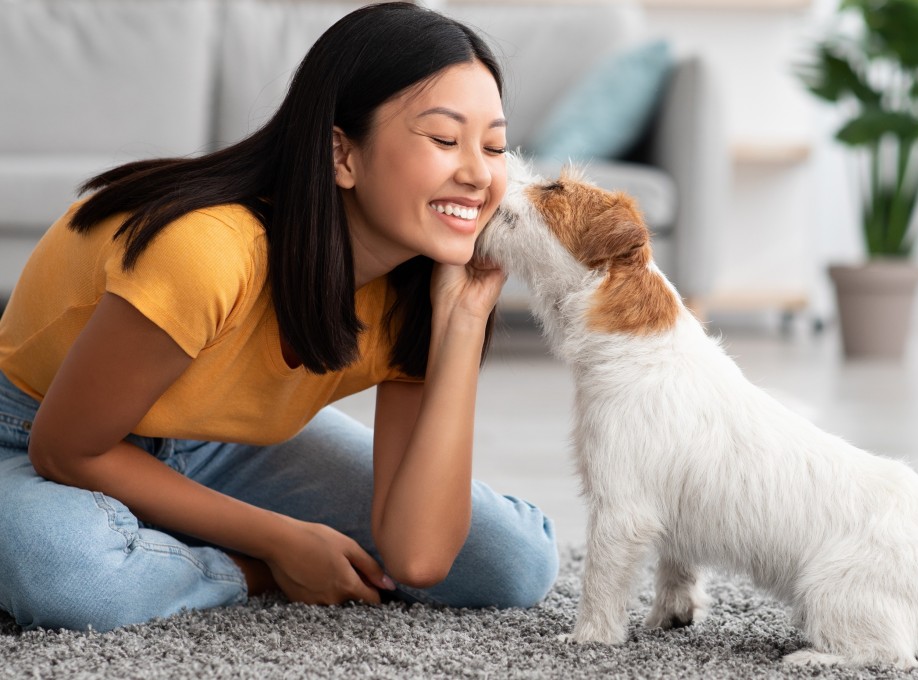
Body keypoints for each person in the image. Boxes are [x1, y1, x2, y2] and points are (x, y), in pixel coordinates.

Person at [0, 2, 558, 632]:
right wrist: (277, 547)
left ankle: (157, 539)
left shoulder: (422, 286)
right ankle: (226, 567)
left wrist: (461, 325)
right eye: (444, 139)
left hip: (213, 443)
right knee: (72, 574)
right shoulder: (205, 252)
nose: (478, 174)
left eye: (494, 146)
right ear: (342, 155)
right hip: (31, 429)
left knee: (512, 563)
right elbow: (66, 450)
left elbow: (418, 556)